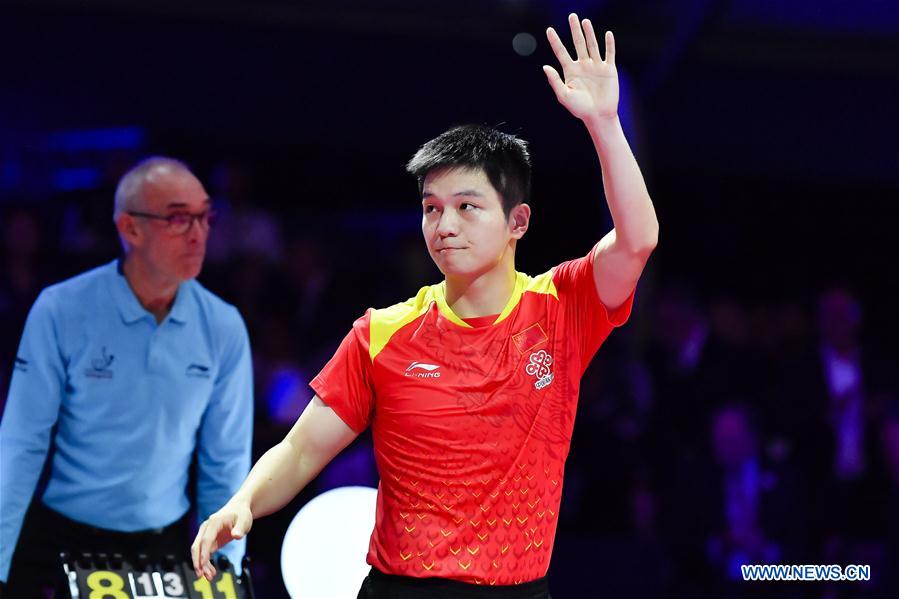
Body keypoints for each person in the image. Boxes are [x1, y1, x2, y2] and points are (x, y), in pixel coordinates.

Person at [192, 13, 658, 597]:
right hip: (401, 588)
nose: (444, 225)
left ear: (518, 221)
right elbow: (303, 447)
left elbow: (637, 239)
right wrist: (244, 504)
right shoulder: (382, 334)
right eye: (432, 208)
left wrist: (606, 123)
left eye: (467, 207)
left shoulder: (562, 307)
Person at [0, 157, 253, 595]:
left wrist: (225, 572)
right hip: (61, 536)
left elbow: (226, 463)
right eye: (178, 218)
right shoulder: (61, 308)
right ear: (130, 228)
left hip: (165, 544)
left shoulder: (223, 325)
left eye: (204, 215)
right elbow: (21, 444)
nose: (199, 233)